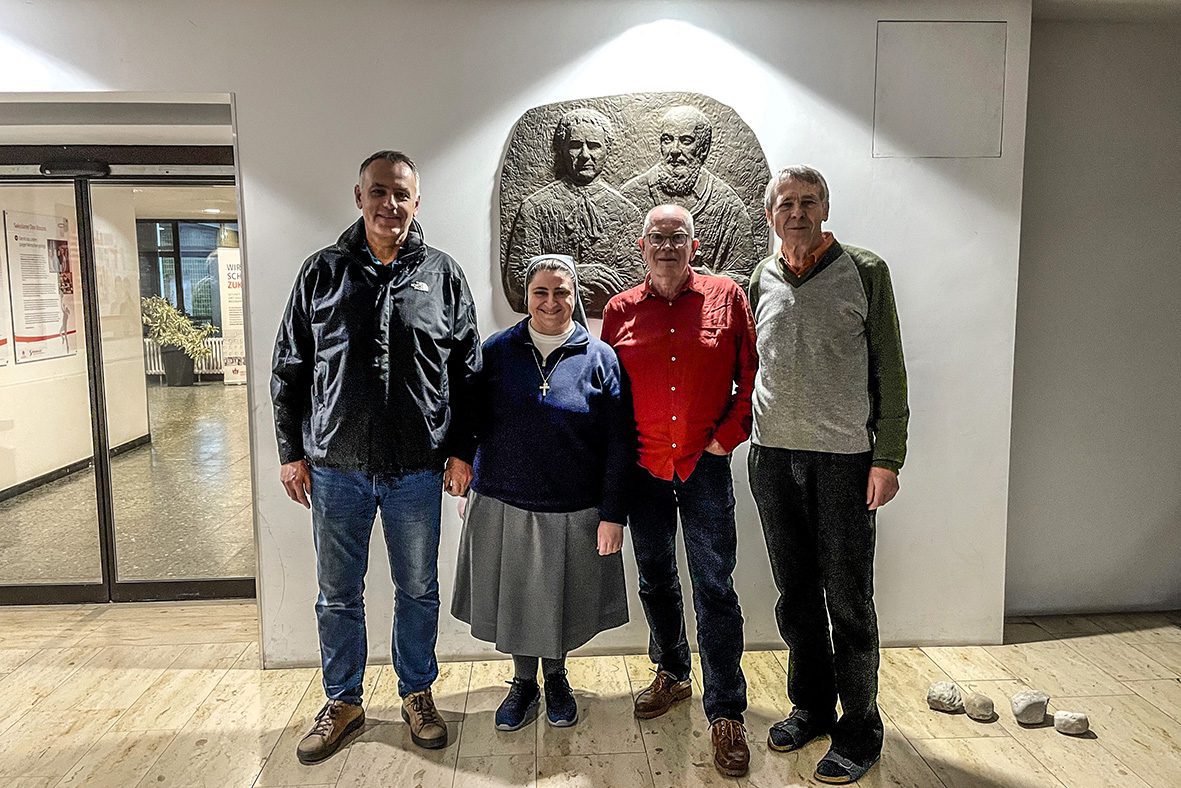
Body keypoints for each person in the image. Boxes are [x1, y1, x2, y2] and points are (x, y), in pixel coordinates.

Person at [271, 150, 481, 763]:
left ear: (417, 202)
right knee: (337, 593)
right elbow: (289, 367)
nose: (391, 204)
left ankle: (417, 693)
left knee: (417, 587)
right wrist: (290, 453)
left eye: (402, 194)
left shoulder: (443, 275)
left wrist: (462, 452)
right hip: (335, 467)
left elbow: (469, 375)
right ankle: (343, 701)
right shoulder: (321, 273)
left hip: (418, 468)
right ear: (359, 195)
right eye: (380, 191)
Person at [747, 166, 909, 785]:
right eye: (785, 203)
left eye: (808, 202)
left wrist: (888, 456)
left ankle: (860, 725)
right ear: (771, 215)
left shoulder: (865, 271)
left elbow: (890, 368)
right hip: (772, 459)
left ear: (825, 209)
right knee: (795, 595)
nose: (797, 212)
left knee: (847, 597)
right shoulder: (760, 278)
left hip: (844, 462)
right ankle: (811, 707)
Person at [601, 204, 757, 778]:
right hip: (645, 469)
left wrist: (727, 437)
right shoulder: (619, 310)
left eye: (678, 237)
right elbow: (610, 393)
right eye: (657, 237)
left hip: (703, 465)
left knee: (714, 586)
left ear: (694, 246)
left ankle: (727, 712)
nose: (667, 245)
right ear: (642, 246)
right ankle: (671, 671)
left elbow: (751, 375)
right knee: (655, 578)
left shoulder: (727, 296)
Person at [452, 253, 631, 730]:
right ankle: (523, 683)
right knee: (516, 600)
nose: (551, 302)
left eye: (561, 292)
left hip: (574, 507)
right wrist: (464, 471)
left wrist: (614, 513)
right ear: (526, 297)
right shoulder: (496, 351)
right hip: (504, 500)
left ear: (575, 297)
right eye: (540, 292)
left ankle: (556, 679)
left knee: (559, 602)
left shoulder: (601, 358)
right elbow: (470, 419)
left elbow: (619, 443)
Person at [505, 107, 644, 316]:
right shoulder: (535, 207)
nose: (585, 155)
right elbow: (518, 279)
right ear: (562, 150)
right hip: (551, 321)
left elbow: (633, 282)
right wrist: (577, 274)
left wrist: (555, 285)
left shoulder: (627, 213)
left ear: (608, 150)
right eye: (575, 146)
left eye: (594, 146)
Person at [621, 106, 755, 287]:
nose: (674, 150)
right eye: (667, 140)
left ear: (703, 148)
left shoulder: (728, 206)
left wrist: (711, 281)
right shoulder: (631, 196)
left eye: (686, 141)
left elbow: (748, 279)